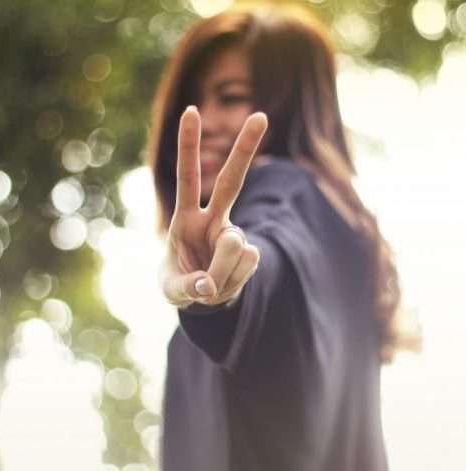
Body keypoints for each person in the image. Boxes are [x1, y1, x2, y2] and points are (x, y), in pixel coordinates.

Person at [147, 3, 409, 470]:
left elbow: (272, 258)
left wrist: (227, 288)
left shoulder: (282, 192)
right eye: (193, 101)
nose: (204, 121)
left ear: (289, 105)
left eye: (230, 97)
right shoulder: (350, 232)